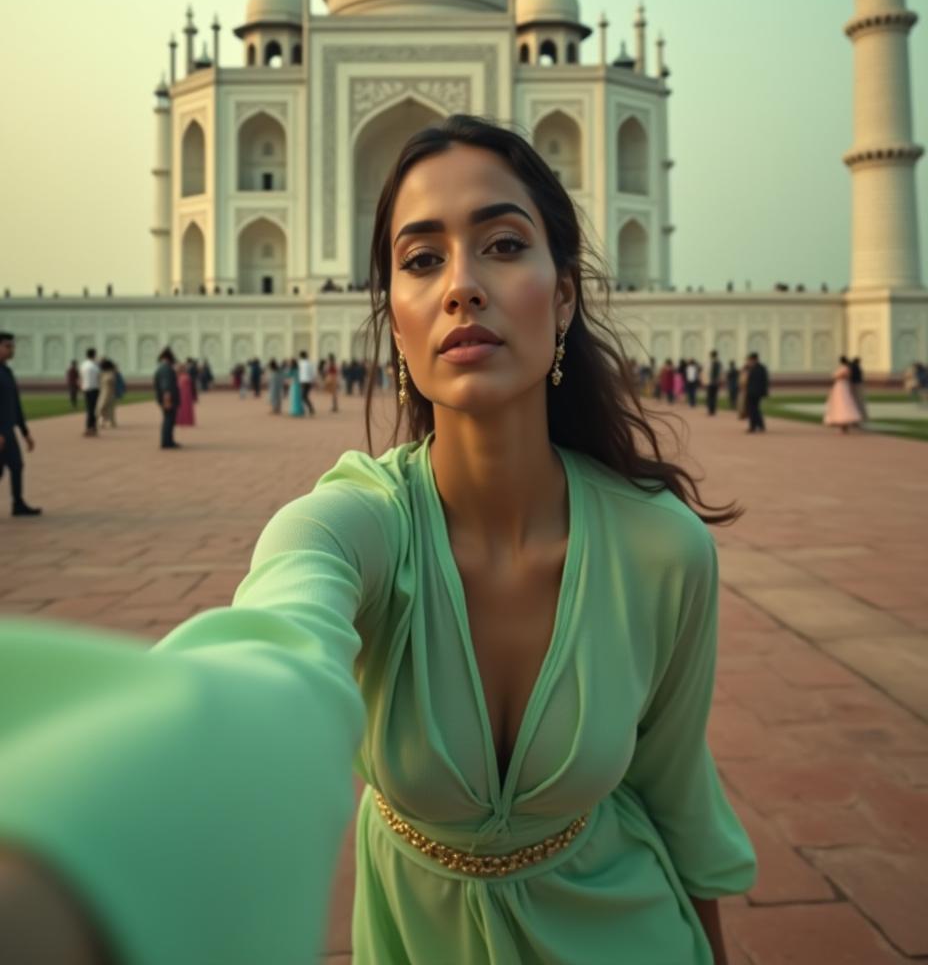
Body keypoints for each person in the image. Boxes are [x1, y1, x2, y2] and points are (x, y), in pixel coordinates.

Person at [0, 115, 755, 965]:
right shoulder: (350, 527)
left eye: (504, 245)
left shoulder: (661, 548)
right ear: (395, 321)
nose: (462, 286)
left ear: (566, 293)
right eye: (423, 259)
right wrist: (75, 853)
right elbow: (270, 664)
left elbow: (677, 794)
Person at [0, 330, 41, 515]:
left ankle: (18, 503)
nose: (11, 350)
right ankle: (18, 503)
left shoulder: (7, 372)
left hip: (8, 430)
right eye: (7, 346)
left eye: (12, 346)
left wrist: (25, 432)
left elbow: (15, 405)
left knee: (16, 465)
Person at [823, 356, 862, 434]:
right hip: (841, 387)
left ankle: (844, 424)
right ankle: (843, 426)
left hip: (841, 386)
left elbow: (839, 376)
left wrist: (837, 376)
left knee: (843, 404)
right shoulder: (845, 368)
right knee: (842, 404)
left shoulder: (844, 368)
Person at [154, 346, 180, 449]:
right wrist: (167, 400)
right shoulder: (166, 369)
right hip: (168, 398)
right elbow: (166, 386)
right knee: (168, 420)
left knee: (169, 419)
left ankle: (168, 440)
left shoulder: (161, 368)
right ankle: (167, 442)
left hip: (166, 398)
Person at [744, 352, 769, 434]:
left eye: (750, 359)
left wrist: (764, 392)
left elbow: (765, 381)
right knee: (755, 409)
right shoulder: (749, 368)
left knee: (752, 409)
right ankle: (760, 425)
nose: (748, 361)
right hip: (750, 391)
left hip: (756, 392)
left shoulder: (761, 368)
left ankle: (753, 427)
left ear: (754, 359)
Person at [79, 347, 101, 438]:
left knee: (90, 409)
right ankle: (91, 427)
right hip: (94, 388)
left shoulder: (83, 365)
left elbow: (81, 377)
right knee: (92, 409)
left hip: (86, 388)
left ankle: (91, 427)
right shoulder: (94, 365)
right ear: (94, 355)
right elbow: (99, 376)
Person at [96, 359, 118, 429]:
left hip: (109, 393)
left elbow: (111, 381)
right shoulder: (102, 373)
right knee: (101, 407)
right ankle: (102, 420)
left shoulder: (111, 374)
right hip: (103, 392)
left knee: (110, 408)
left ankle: (112, 422)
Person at [176, 362, 196, 427]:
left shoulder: (181, 376)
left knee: (181, 408)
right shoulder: (186, 376)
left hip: (184, 394)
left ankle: (182, 420)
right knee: (184, 408)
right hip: (185, 395)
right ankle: (186, 420)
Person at [848, 356, 867, 423]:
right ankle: (859, 416)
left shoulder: (852, 367)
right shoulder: (855, 367)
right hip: (856, 385)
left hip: (855, 385)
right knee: (858, 401)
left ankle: (857, 416)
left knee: (856, 401)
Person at [297, 350, 316, 415]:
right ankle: (308, 409)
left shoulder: (300, 363)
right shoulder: (309, 363)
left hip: (303, 381)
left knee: (303, 396)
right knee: (305, 396)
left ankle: (310, 408)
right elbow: (313, 373)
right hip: (309, 381)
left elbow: (299, 373)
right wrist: (313, 380)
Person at [704, 351, 722, 416]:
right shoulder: (718, 363)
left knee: (710, 397)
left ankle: (711, 410)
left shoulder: (710, 363)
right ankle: (712, 410)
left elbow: (707, 373)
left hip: (711, 382)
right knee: (713, 397)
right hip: (714, 382)